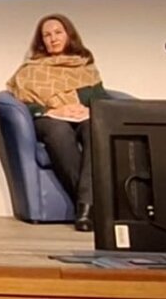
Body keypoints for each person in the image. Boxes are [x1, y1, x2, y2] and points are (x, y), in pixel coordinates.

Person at [7, 14, 107, 232]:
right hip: (49, 119)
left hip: (82, 117)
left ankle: (85, 207)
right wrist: (51, 110)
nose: (53, 38)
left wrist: (88, 109)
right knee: (59, 131)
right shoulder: (30, 70)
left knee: (95, 130)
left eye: (58, 32)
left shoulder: (84, 67)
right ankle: (88, 206)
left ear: (69, 35)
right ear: (41, 41)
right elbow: (24, 103)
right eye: (47, 35)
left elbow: (101, 98)